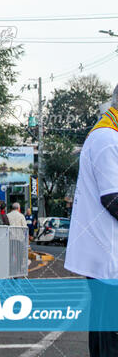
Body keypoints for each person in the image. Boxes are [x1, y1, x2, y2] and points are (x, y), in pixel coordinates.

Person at [65, 84, 118, 356]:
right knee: (110, 335)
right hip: (109, 257)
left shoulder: (107, 134)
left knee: (104, 330)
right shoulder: (107, 138)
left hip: (107, 256)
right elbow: (113, 199)